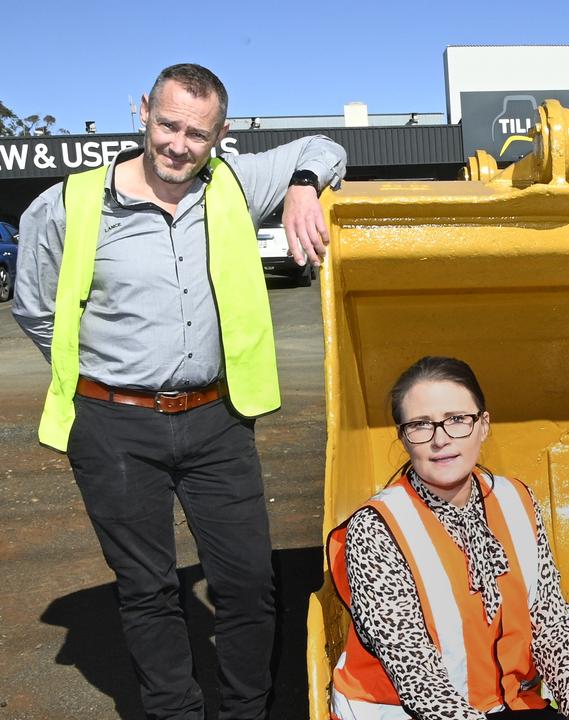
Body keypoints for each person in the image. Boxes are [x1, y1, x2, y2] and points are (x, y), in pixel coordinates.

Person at [11, 63, 346, 719]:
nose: (178, 145)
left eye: (197, 133)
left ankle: (247, 709)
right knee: (147, 588)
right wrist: (96, 370)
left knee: (249, 582)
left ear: (219, 135)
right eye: (168, 124)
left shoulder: (232, 184)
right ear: (143, 112)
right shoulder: (70, 202)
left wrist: (304, 187)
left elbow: (322, 149)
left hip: (218, 420)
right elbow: (33, 305)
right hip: (114, 426)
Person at [327, 356, 569, 720]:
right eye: (421, 425)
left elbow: (550, 619)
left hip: (505, 703)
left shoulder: (517, 500)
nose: (441, 440)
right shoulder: (376, 529)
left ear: (483, 425)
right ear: (403, 438)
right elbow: (418, 678)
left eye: (457, 420)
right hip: (405, 712)